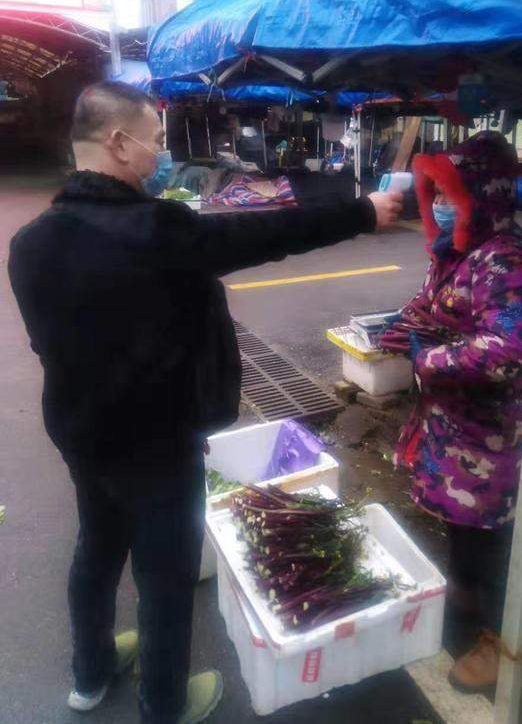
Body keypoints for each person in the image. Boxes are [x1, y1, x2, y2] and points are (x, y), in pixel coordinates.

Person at [8, 81, 402, 724]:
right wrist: (362, 213)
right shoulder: (154, 230)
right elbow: (267, 233)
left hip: (82, 435)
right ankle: (163, 705)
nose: (159, 153)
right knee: (165, 576)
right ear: (118, 142)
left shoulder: (30, 245)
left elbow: (49, 343)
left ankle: (91, 670)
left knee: (98, 549)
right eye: (156, 141)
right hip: (158, 441)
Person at [380, 130, 522, 691]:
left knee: (491, 536)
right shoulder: (460, 250)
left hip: (491, 435)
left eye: (452, 195)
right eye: (439, 196)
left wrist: (429, 359)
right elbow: (430, 304)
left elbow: (506, 351)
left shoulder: (511, 263)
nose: (442, 207)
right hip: (450, 427)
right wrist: (398, 328)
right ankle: (465, 603)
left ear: (484, 194)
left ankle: (498, 642)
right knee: (462, 529)